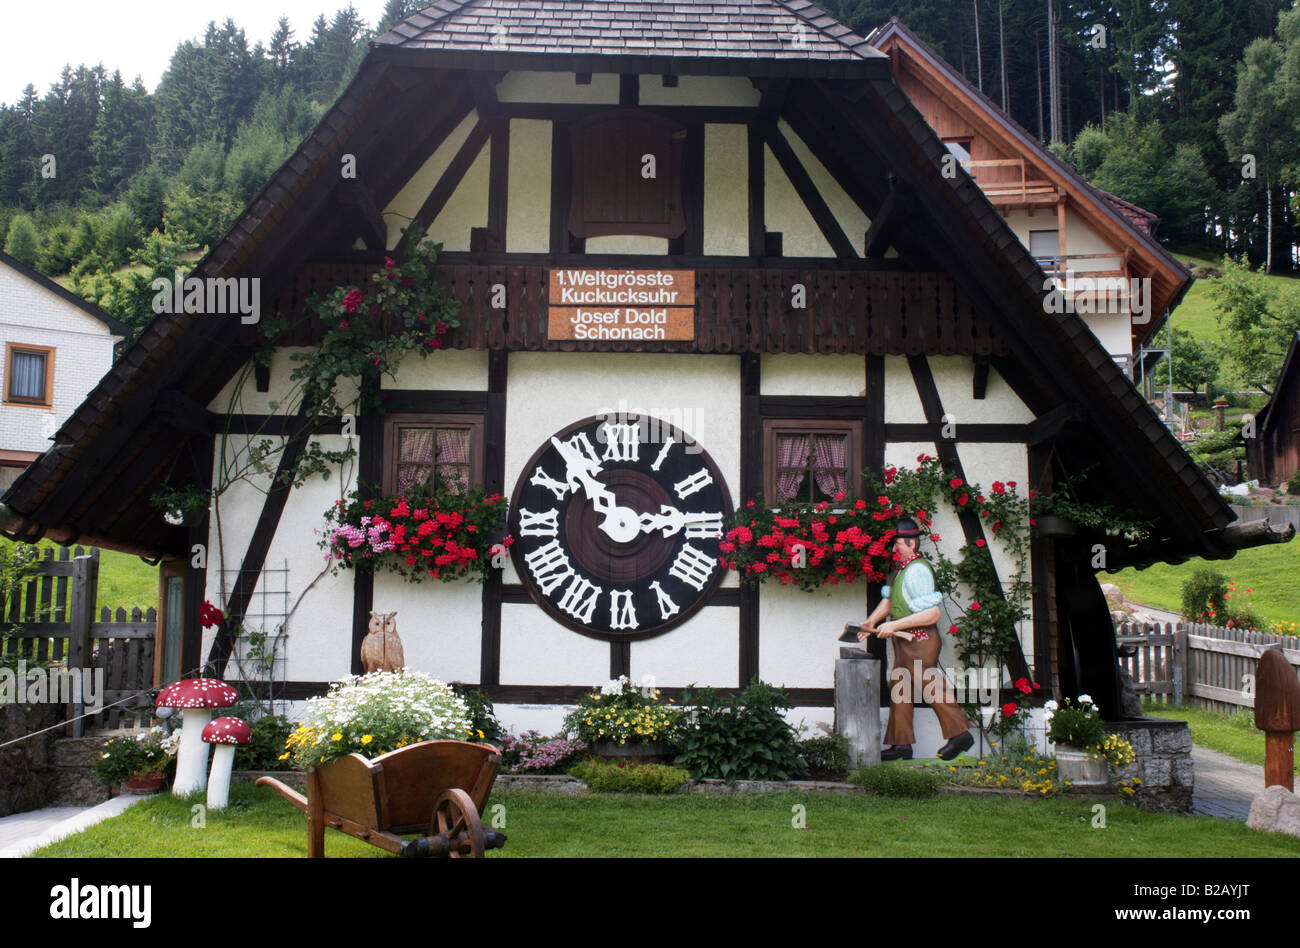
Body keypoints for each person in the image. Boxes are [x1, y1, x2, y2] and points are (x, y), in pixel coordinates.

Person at [858, 517, 974, 761]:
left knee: (928, 682)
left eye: (897, 544)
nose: (893, 549)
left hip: (920, 641)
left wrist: (894, 624)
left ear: (911, 544)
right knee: (900, 687)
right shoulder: (902, 570)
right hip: (903, 641)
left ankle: (960, 733)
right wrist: (872, 621)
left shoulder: (918, 570)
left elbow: (932, 613)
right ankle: (901, 744)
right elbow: (890, 601)